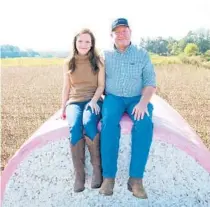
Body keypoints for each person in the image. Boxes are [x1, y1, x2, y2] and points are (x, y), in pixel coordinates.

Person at [99, 18, 156, 199]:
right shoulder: (104, 55)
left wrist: (143, 103)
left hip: (135, 99)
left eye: (124, 30)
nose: (121, 34)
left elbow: (150, 83)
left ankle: (136, 179)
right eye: (117, 31)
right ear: (112, 35)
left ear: (130, 32)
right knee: (108, 122)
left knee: (145, 123)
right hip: (113, 98)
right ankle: (109, 177)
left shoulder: (142, 54)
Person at [61, 28, 105, 193]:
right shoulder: (68, 62)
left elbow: (101, 86)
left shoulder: (98, 61)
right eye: (80, 41)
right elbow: (66, 88)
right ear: (75, 42)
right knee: (74, 127)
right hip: (74, 102)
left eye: (87, 41)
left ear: (92, 44)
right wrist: (62, 108)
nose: (84, 44)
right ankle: (79, 175)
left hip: (94, 100)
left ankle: (97, 171)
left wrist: (94, 100)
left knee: (88, 122)